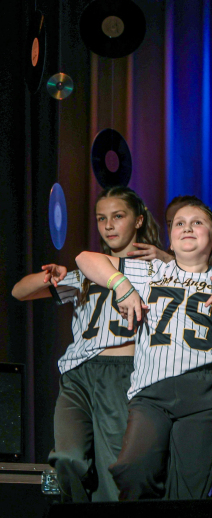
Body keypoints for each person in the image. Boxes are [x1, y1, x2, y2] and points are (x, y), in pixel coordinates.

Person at [74, 198, 212, 500]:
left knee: (188, 491)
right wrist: (122, 287)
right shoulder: (151, 271)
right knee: (132, 468)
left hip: (203, 392)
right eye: (179, 223)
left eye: (197, 223)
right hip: (151, 390)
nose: (187, 228)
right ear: (170, 239)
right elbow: (84, 258)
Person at [10, 187, 160, 501]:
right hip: (78, 373)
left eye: (118, 216)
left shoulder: (153, 271)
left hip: (121, 371)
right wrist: (50, 276)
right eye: (101, 218)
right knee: (66, 457)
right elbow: (19, 292)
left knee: (113, 465)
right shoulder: (85, 274)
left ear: (138, 220)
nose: (108, 225)